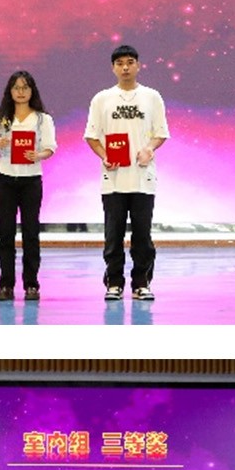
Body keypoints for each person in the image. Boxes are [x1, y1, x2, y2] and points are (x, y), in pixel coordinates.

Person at [84, 44, 169, 304]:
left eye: (130, 62)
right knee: (113, 235)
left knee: (142, 235)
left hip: (143, 178)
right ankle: (114, 283)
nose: (125, 68)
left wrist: (149, 149)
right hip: (113, 179)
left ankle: (141, 283)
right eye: (120, 63)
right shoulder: (102, 99)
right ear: (113, 68)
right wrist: (104, 156)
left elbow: (160, 133)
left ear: (138, 66)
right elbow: (92, 136)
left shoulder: (152, 97)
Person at [0, 68, 56, 302]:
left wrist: (38, 155)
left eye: (25, 87)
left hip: (31, 180)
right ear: (10, 91)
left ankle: (31, 284)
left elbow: (50, 148)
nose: (21, 92)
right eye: (16, 87)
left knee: (31, 233)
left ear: (32, 90)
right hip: (6, 178)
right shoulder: (0, 117)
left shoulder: (42, 119)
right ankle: (6, 284)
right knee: (5, 233)